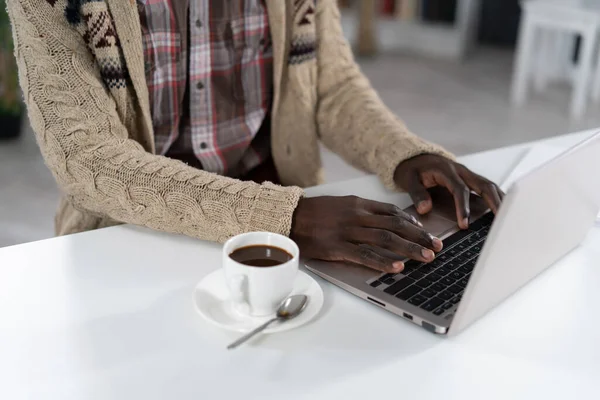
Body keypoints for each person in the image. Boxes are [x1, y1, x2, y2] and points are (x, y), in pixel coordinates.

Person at [7, 0, 502, 273]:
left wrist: (405, 154)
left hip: (280, 224)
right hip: (129, 236)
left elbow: (330, 86)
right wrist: (285, 218)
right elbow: (87, 160)